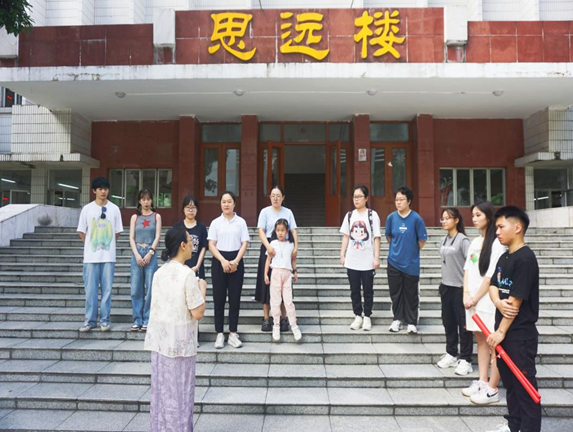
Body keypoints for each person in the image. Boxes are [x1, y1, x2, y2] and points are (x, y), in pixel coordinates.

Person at [144, 224, 206, 432]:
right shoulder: (187, 274)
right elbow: (197, 312)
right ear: (182, 245)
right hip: (180, 344)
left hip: (161, 343)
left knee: (162, 393)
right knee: (180, 396)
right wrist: (203, 289)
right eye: (189, 240)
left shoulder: (159, 273)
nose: (192, 245)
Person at [486, 206, 541, 432]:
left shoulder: (525, 259)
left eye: (501, 227)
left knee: (525, 388)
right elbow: (493, 285)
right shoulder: (504, 256)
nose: (497, 232)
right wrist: (498, 303)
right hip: (504, 334)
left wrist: (500, 332)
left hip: (519, 336)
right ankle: (514, 426)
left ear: (517, 227)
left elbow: (515, 303)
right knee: (510, 384)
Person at [461, 201, 506, 405]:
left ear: (489, 216)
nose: (474, 218)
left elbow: (490, 277)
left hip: (486, 301)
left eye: (478, 215)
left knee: (492, 343)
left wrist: (475, 298)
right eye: (473, 215)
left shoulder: (497, 244)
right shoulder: (475, 242)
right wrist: (466, 294)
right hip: (471, 300)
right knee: (480, 340)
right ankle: (482, 381)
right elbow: (468, 269)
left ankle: (492, 388)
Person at [77, 176, 123, 333]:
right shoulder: (87, 209)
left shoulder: (114, 209)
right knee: (90, 291)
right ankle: (89, 321)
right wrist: (90, 244)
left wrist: (107, 244)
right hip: (90, 258)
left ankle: (104, 320)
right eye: (100, 189)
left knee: (107, 290)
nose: (103, 192)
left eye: (105, 189)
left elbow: (117, 232)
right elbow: (81, 231)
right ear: (94, 191)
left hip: (108, 257)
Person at [208, 191, 250, 349]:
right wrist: (223, 261)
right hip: (219, 261)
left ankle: (233, 333)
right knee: (218, 298)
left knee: (234, 299)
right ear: (220, 204)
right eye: (224, 201)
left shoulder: (241, 222)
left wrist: (236, 261)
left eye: (229, 201)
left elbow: (244, 243)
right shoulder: (215, 223)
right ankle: (219, 333)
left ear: (234, 204)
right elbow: (211, 245)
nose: (226, 204)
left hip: (236, 261)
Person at [255, 186, 298, 332]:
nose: (275, 198)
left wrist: (296, 248)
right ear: (269, 197)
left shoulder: (288, 212)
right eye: (273, 195)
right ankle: (267, 319)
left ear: (283, 197)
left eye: (278, 195)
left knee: (284, 286)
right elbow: (261, 230)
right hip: (268, 246)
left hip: (285, 248)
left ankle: (284, 319)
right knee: (266, 284)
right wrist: (268, 246)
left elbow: (293, 231)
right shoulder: (265, 212)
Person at [385, 186, 427, 334]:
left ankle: (411, 322)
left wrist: (411, 251)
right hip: (394, 262)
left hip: (411, 264)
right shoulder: (391, 218)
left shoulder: (416, 219)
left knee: (411, 294)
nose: (398, 202)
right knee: (395, 293)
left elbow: (422, 240)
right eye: (396, 199)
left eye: (402, 199)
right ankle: (397, 319)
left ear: (409, 201)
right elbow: (389, 237)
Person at [436, 207, 473, 376]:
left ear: (456, 220)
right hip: (446, 287)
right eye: (442, 218)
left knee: (463, 325)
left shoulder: (463, 241)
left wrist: (468, 288)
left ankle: (466, 359)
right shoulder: (444, 239)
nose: (444, 221)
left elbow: (473, 262)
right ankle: (451, 353)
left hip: (460, 288)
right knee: (448, 322)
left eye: (447, 218)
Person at [340, 185, 381, 331]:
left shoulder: (372, 215)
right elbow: (346, 236)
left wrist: (377, 258)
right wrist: (342, 254)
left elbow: (376, 237)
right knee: (354, 290)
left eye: (359, 196)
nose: (356, 199)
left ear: (366, 198)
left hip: (367, 260)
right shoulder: (349, 215)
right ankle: (358, 315)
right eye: (354, 197)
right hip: (352, 260)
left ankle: (367, 316)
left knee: (368, 290)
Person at [129, 189, 162, 332]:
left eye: (148, 199)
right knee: (136, 288)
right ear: (139, 201)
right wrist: (137, 255)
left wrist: (150, 253)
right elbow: (131, 237)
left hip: (150, 253)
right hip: (137, 251)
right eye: (143, 199)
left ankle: (148, 319)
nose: (146, 202)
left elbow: (158, 236)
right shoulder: (134, 217)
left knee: (150, 288)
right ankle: (137, 320)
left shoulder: (156, 217)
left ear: (152, 200)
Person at [264, 218, 301, 342]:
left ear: (287, 231)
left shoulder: (291, 245)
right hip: (275, 273)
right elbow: (268, 260)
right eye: (278, 230)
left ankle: (294, 325)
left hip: (287, 274)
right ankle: (276, 325)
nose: (280, 233)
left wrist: (295, 271)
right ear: (275, 231)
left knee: (288, 301)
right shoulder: (272, 244)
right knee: (275, 301)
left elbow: (293, 260)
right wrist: (265, 274)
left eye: (282, 230)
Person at [173, 196, 208, 306]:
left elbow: (203, 247)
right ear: (183, 209)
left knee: (197, 300)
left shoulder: (201, 227)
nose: (190, 210)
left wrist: (197, 266)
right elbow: (174, 248)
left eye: (193, 207)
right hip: (180, 268)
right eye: (188, 207)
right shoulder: (177, 227)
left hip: (197, 268)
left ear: (197, 209)